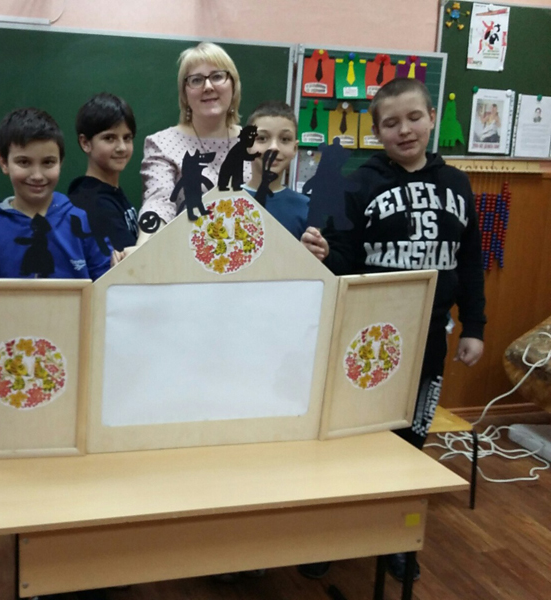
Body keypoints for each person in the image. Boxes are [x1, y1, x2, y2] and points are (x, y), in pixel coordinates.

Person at [300, 78, 485, 583]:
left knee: (410, 442)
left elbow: (470, 261)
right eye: (390, 123)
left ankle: (396, 538)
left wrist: (474, 326)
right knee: (351, 442)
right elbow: (343, 259)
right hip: (368, 341)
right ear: (377, 131)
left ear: (432, 117)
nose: (404, 130)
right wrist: (325, 254)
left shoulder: (458, 185)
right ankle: (330, 535)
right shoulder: (358, 184)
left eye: (413, 117)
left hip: (429, 339)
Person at [0, 107, 113, 279]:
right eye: (24, 162)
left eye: (48, 162)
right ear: (4, 162)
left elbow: (107, 287)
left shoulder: (86, 222)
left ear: (60, 162)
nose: (37, 176)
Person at [137, 41, 249, 242]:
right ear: (185, 94)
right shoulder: (162, 144)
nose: (208, 87)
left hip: (250, 255)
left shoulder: (255, 142)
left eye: (217, 76)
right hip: (185, 255)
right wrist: (142, 247)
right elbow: (159, 202)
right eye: (196, 80)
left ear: (233, 85)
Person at [67, 93, 139, 260]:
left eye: (127, 138)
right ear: (85, 143)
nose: (122, 147)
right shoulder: (91, 202)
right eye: (109, 138)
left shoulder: (111, 192)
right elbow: (132, 262)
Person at [241, 100, 309, 239]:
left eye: (285, 139)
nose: (274, 147)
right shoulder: (224, 202)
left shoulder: (307, 208)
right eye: (262, 138)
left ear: (295, 148)